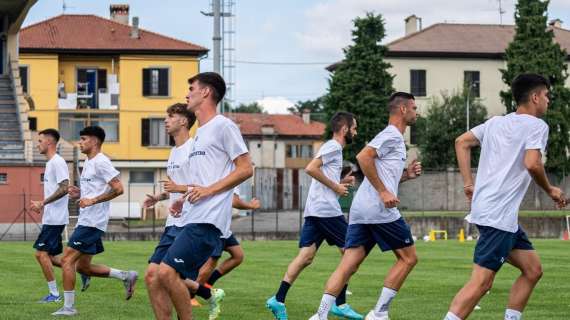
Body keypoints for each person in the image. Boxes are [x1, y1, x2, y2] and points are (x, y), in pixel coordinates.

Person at [443, 73, 567, 320]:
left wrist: (469, 183)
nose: (548, 101)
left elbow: (461, 142)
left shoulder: (496, 122)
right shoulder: (537, 126)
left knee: (532, 270)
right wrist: (551, 189)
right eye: (546, 96)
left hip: (498, 214)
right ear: (534, 97)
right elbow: (532, 164)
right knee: (481, 283)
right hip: (497, 215)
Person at [310, 92, 422, 320]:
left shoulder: (393, 138)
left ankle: (319, 316)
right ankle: (379, 313)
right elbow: (364, 157)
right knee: (409, 258)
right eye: (414, 108)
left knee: (348, 265)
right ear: (402, 110)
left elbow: (382, 174)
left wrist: (405, 176)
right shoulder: (392, 135)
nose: (416, 112)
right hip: (379, 210)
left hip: (362, 210)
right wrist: (383, 191)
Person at [158, 72, 253, 320]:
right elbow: (202, 181)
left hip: (209, 221)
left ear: (206, 92)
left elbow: (246, 168)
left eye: (191, 88)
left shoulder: (223, 126)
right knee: (170, 275)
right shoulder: (200, 133)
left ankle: (206, 298)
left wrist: (209, 191)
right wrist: (183, 197)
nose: (187, 94)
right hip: (193, 216)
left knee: (166, 273)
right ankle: (208, 296)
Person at [266, 112, 361, 320]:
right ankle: (340, 303)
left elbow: (322, 178)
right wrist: (337, 185)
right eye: (354, 128)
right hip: (326, 211)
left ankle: (278, 299)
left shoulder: (332, 148)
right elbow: (311, 168)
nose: (356, 131)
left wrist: (341, 182)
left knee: (305, 257)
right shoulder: (334, 146)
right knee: (352, 253)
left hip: (315, 210)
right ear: (345, 129)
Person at [52, 126, 138, 316]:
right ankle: (125, 276)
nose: (79, 142)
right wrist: (80, 194)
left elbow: (118, 188)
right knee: (83, 267)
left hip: (92, 222)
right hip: (87, 220)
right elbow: (95, 191)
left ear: (95, 141)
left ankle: (68, 307)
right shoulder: (88, 162)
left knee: (66, 260)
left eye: (83, 139)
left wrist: (93, 200)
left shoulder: (101, 162)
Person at [143, 103, 196, 319]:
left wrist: (180, 191)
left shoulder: (195, 149)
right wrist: (158, 197)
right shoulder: (174, 152)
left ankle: (205, 291)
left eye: (171, 116)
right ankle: (205, 291)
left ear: (183, 121)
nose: (166, 120)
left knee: (167, 275)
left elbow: (204, 185)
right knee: (151, 277)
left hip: (190, 224)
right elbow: (176, 188)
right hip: (172, 224)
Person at [186, 187, 260, 319]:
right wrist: (251, 205)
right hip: (216, 224)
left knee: (238, 256)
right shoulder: (232, 175)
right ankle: (190, 296)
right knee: (211, 262)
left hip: (224, 228)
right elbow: (234, 201)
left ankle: (208, 283)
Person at [31, 129, 70, 303]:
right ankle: (81, 271)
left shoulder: (57, 162)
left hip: (56, 219)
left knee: (40, 254)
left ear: (49, 143)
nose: (37, 144)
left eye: (40, 141)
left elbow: (64, 187)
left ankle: (54, 295)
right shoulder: (50, 164)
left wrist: (43, 203)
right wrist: (43, 205)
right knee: (51, 258)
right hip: (52, 217)